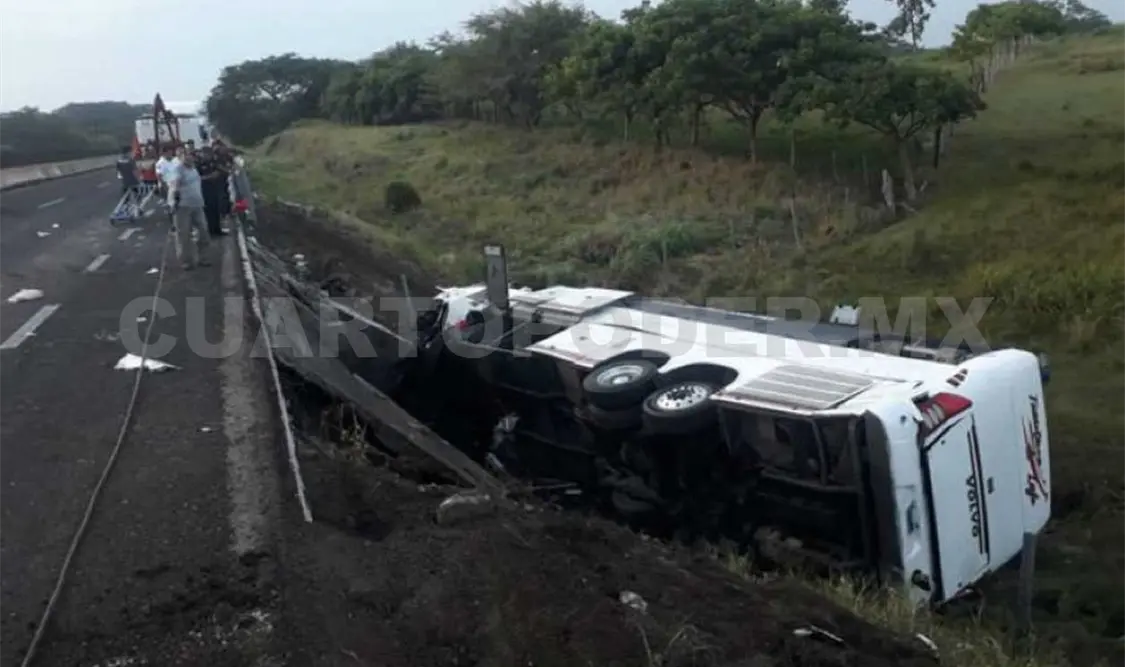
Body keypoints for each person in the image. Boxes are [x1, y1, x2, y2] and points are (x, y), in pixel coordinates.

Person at [167, 150, 211, 269]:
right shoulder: (178, 169)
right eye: (185, 156)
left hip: (197, 204)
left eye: (190, 156)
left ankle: (203, 257)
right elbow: (175, 185)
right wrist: (174, 201)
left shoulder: (194, 169)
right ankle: (186, 261)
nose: (188, 158)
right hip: (183, 206)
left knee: (203, 230)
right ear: (181, 158)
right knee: (184, 234)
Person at [195, 145, 227, 237]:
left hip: (215, 189)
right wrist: (209, 177)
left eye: (210, 154)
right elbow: (197, 178)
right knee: (207, 211)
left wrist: (219, 172)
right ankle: (209, 231)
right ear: (202, 154)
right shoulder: (198, 164)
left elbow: (223, 171)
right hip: (204, 190)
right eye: (206, 154)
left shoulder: (214, 163)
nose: (208, 156)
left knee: (216, 209)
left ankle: (217, 229)